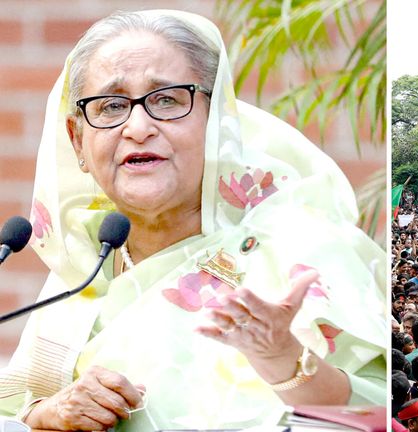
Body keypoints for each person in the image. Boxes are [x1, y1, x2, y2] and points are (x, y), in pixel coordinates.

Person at [0, 10, 387, 431]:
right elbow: (14, 409)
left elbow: (389, 410)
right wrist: (46, 415)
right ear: (78, 140)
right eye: (111, 106)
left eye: (166, 99)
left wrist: (285, 362)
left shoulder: (302, 252)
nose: (138, 126)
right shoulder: (82, 271)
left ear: (215, 120)